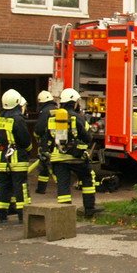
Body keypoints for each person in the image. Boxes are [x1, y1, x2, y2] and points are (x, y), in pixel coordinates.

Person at [50, 87, 102, 217]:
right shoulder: (77, 117)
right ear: (74, 102)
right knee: (87, 178)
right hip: (76, 157)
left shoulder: (53, 117)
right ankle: (89, 209)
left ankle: (64, 215)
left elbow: (47, 136)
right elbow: (88, 137)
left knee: (63, 185)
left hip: (58, 157)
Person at [0, 89, 32, 223]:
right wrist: (28, 149)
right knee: (20, 187)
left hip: (2, 158)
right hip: (17, 159)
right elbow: (25, 140)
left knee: (4, 186)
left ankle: (1, 215)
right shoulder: (18, 119)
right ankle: (23, 215)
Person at [33, 90, 57, 195]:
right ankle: (41, 188)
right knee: (49, 167)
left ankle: (42, 189)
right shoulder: (57, 110)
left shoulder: (45, 111)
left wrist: (37, 136)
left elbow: (39, 128)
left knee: (46, 167)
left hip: (47, 143)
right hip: (57, 143)